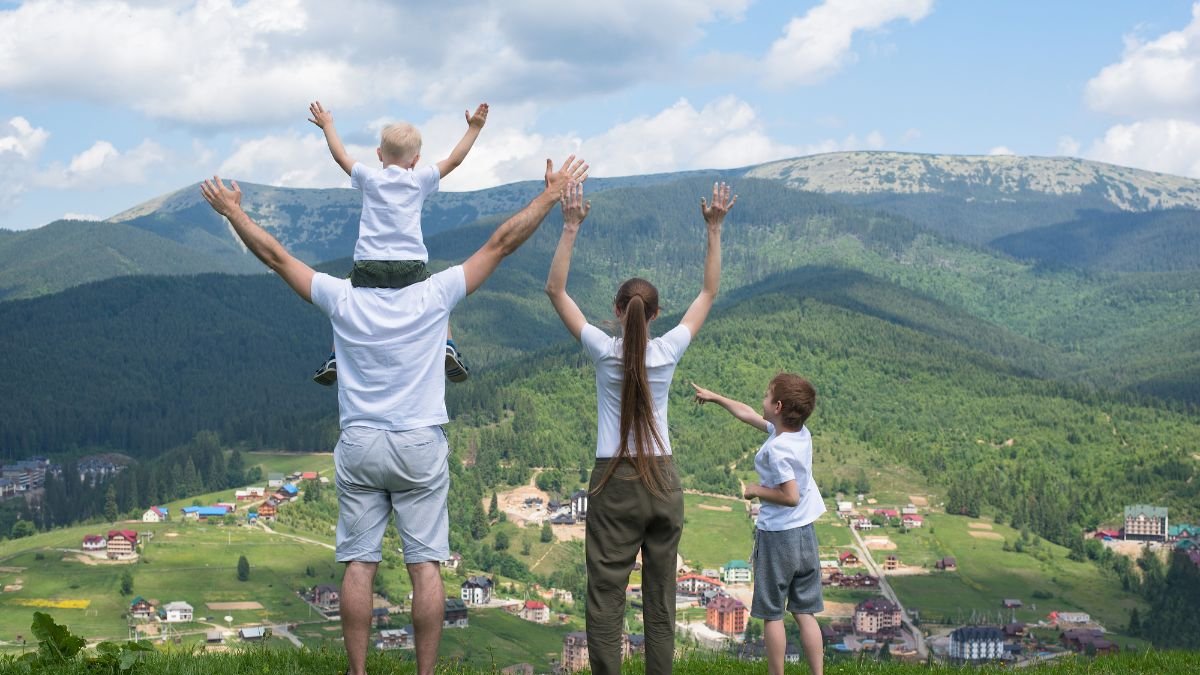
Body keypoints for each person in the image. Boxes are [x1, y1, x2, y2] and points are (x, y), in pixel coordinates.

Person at [200, 154, 588, 675]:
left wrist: (233, 213)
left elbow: (275, 255)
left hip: (360, 443)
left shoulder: (343, 299)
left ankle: (358, 672)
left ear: (363, 263)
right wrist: (549, 194)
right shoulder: (434, 296)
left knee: (359, 564)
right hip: (419, 444)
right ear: (415, 261)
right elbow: (501, 243)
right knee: (425, 568)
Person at [545, 180, 735, 674]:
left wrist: (570, 226)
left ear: (616, 311)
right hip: (663, 480)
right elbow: (709, 291)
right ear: (655, 316)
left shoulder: (602, 351)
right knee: (661, 597)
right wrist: (713, 229)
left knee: (606, 598)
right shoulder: (667, 351)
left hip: (614, 481)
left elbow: (555, 290)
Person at [307, 99, 489, 385]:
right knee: (437, 298)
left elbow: (340, 156)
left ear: (379, 155)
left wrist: (327, 125)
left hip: (369, 265)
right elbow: (454, 160)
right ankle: (448, 346)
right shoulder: (420, 180)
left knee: (343, 301)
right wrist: (474, 129)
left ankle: (335, 354)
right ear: (416, 160)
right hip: (410, 265)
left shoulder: (369, 178)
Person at [690, 376, 825, 675]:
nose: (761, 400)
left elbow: (790, 496)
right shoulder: (800, 434)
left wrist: (755, 490)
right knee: (806, 612)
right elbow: (748, 414)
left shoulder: (776, 450)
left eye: (766, 395)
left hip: (779, 538)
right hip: (806, 534)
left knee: (773, 614)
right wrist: (716, 397)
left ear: (777, 406)